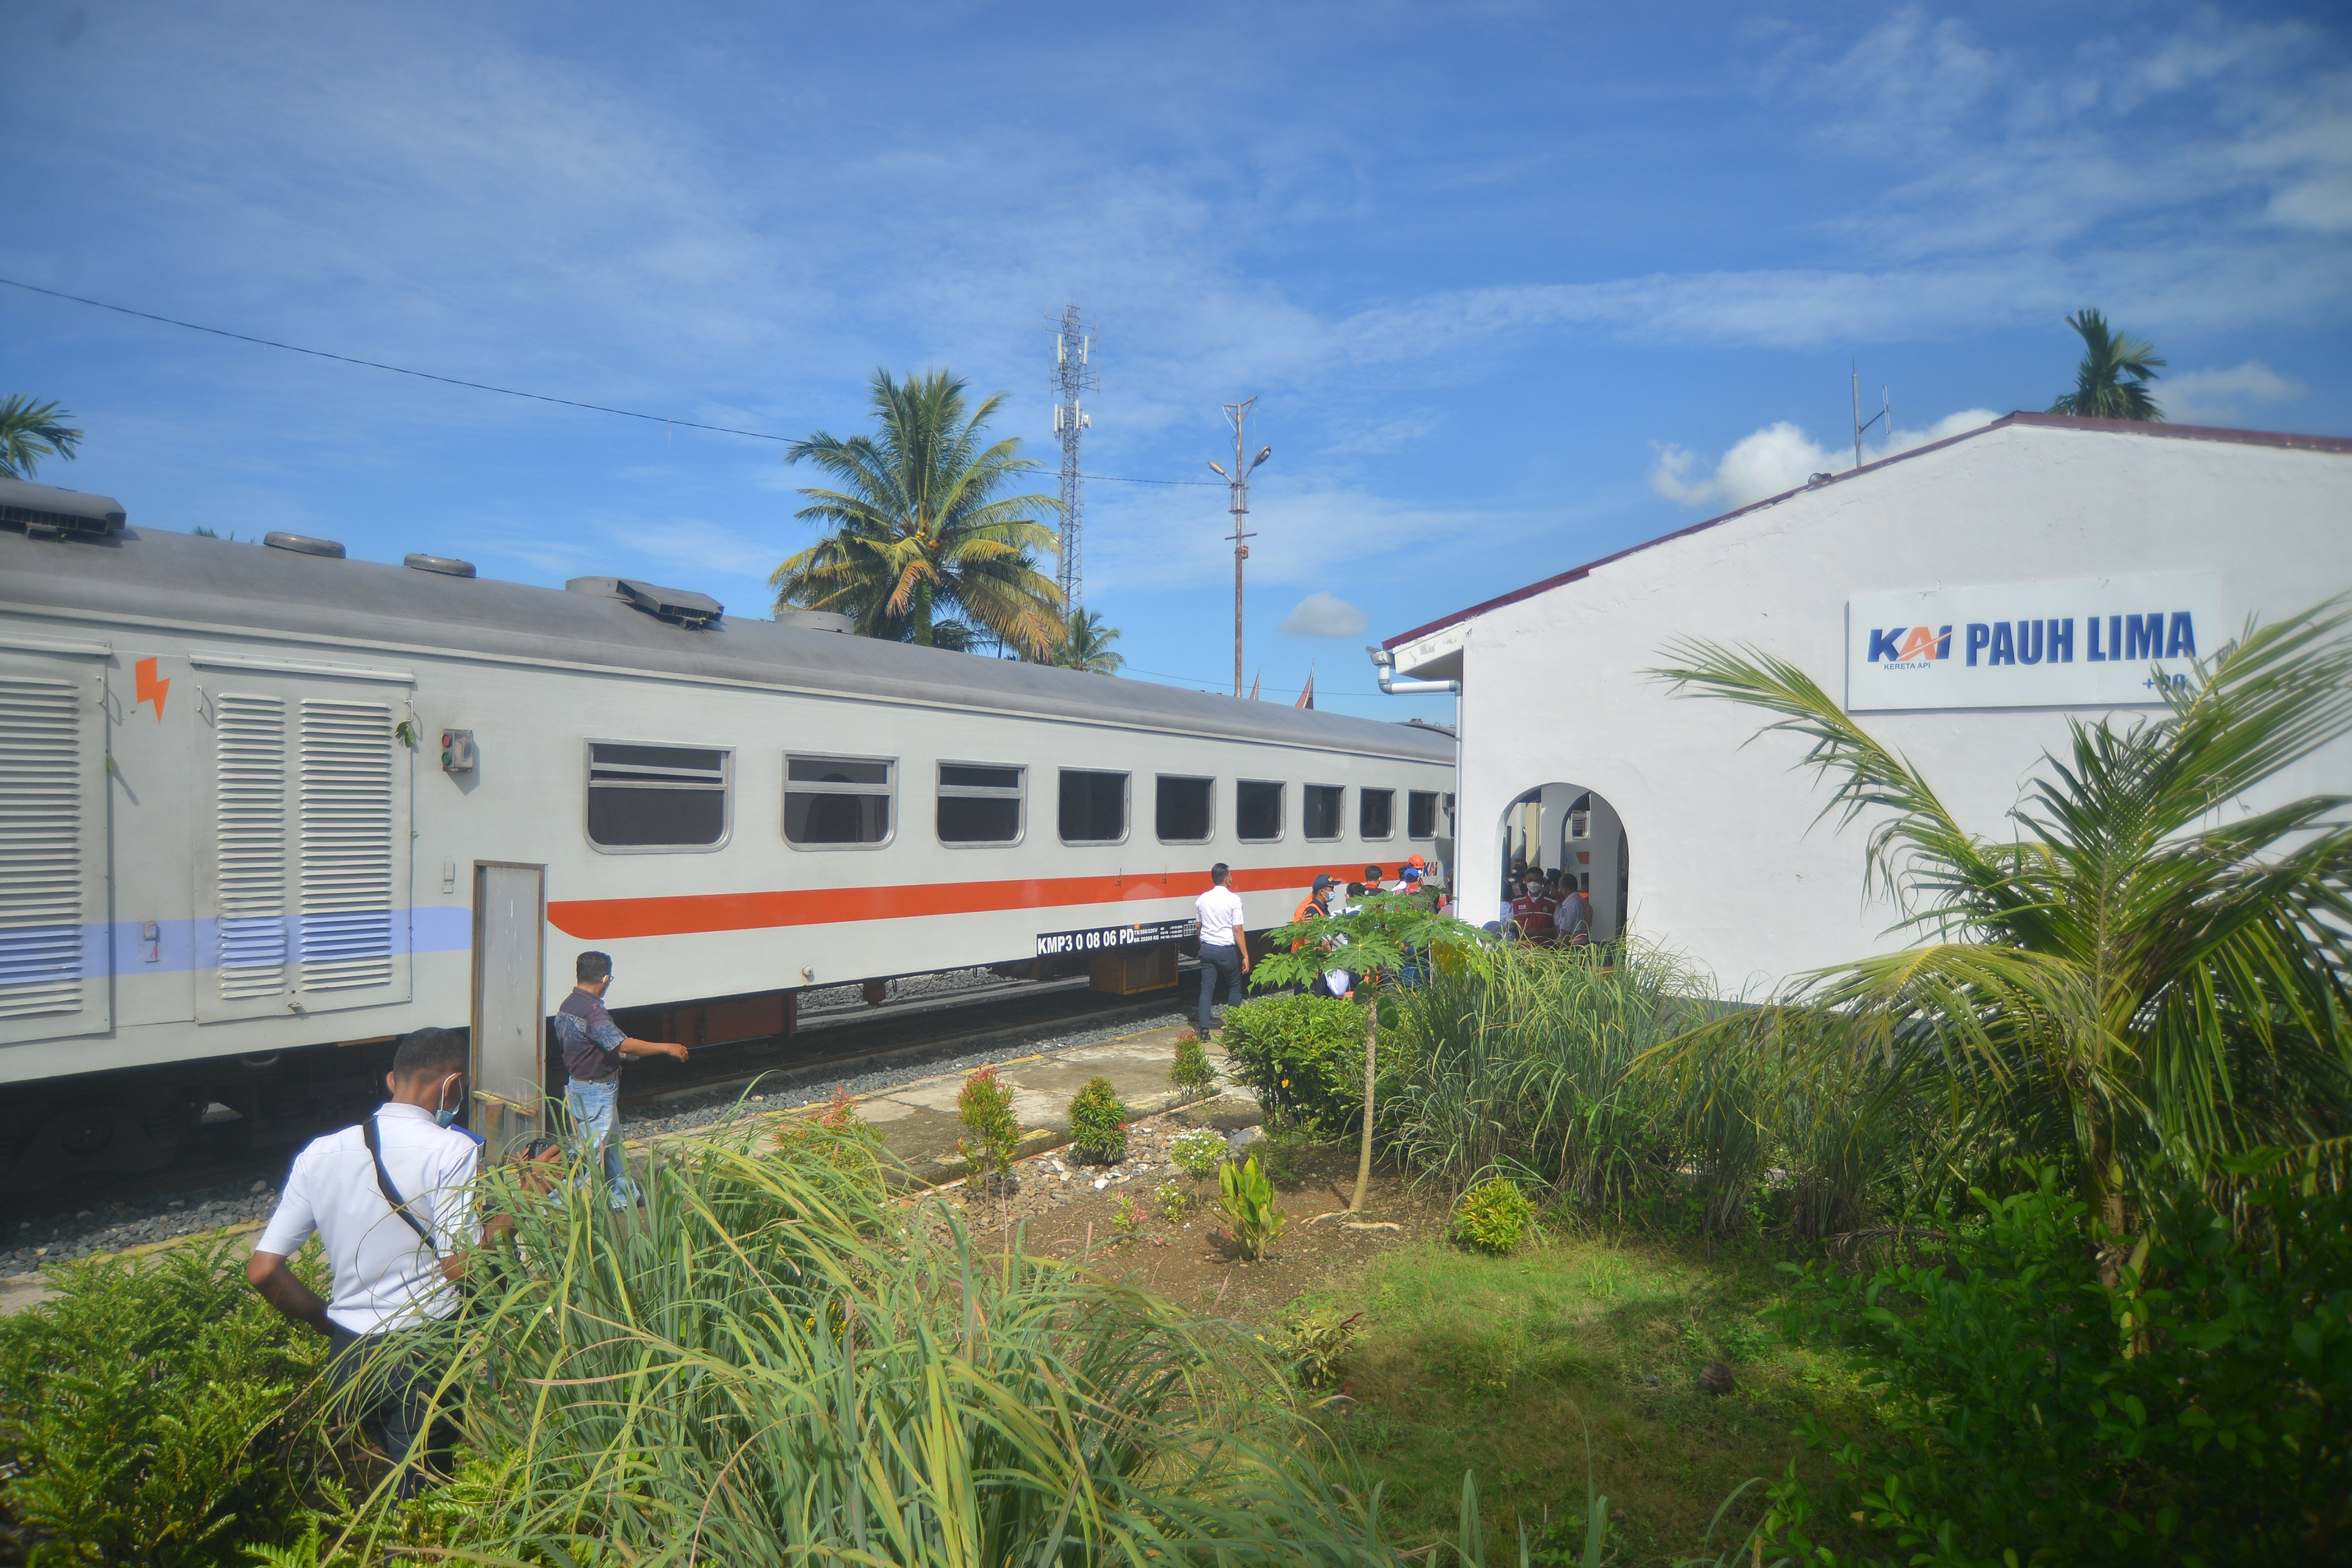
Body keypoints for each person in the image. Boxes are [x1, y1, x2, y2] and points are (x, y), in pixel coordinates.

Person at [245, 1027, 485, 1494]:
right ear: (452, 1085)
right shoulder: (453, 1150)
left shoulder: (320, 1152)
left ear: (393, 1079)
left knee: (382, 1488)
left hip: (349, 1357)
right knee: (419, 1503)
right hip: (421, 1354)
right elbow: (460, 1266)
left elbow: (263, 1269)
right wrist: (517, 1209)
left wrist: (332, 1322)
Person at [555, 951, 689, 1208]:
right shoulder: (593, 1011)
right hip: (597, 1091)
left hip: (578, 1085)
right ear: (605, 979)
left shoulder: (568, 1005)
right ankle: (559, 1202)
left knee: (611, 1145)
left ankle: (623, 1197)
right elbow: (624, 1042)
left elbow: (580, 1043)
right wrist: (667, 1047)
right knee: (593, 1152)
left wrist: (610, 1051)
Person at [1195, 862, 1250, 1035]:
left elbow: (1199, 926)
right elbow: (1237, 929)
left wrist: (1202, 944)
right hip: (1226, 950)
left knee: (1206, 990)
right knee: (1234, 986)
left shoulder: (1202, 898)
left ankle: (1204, 1031)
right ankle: (1233, 1026)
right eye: (1231, 875)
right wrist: (1246, 956)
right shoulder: (1234, 900)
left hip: (1207, 948)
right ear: (1227, 879)